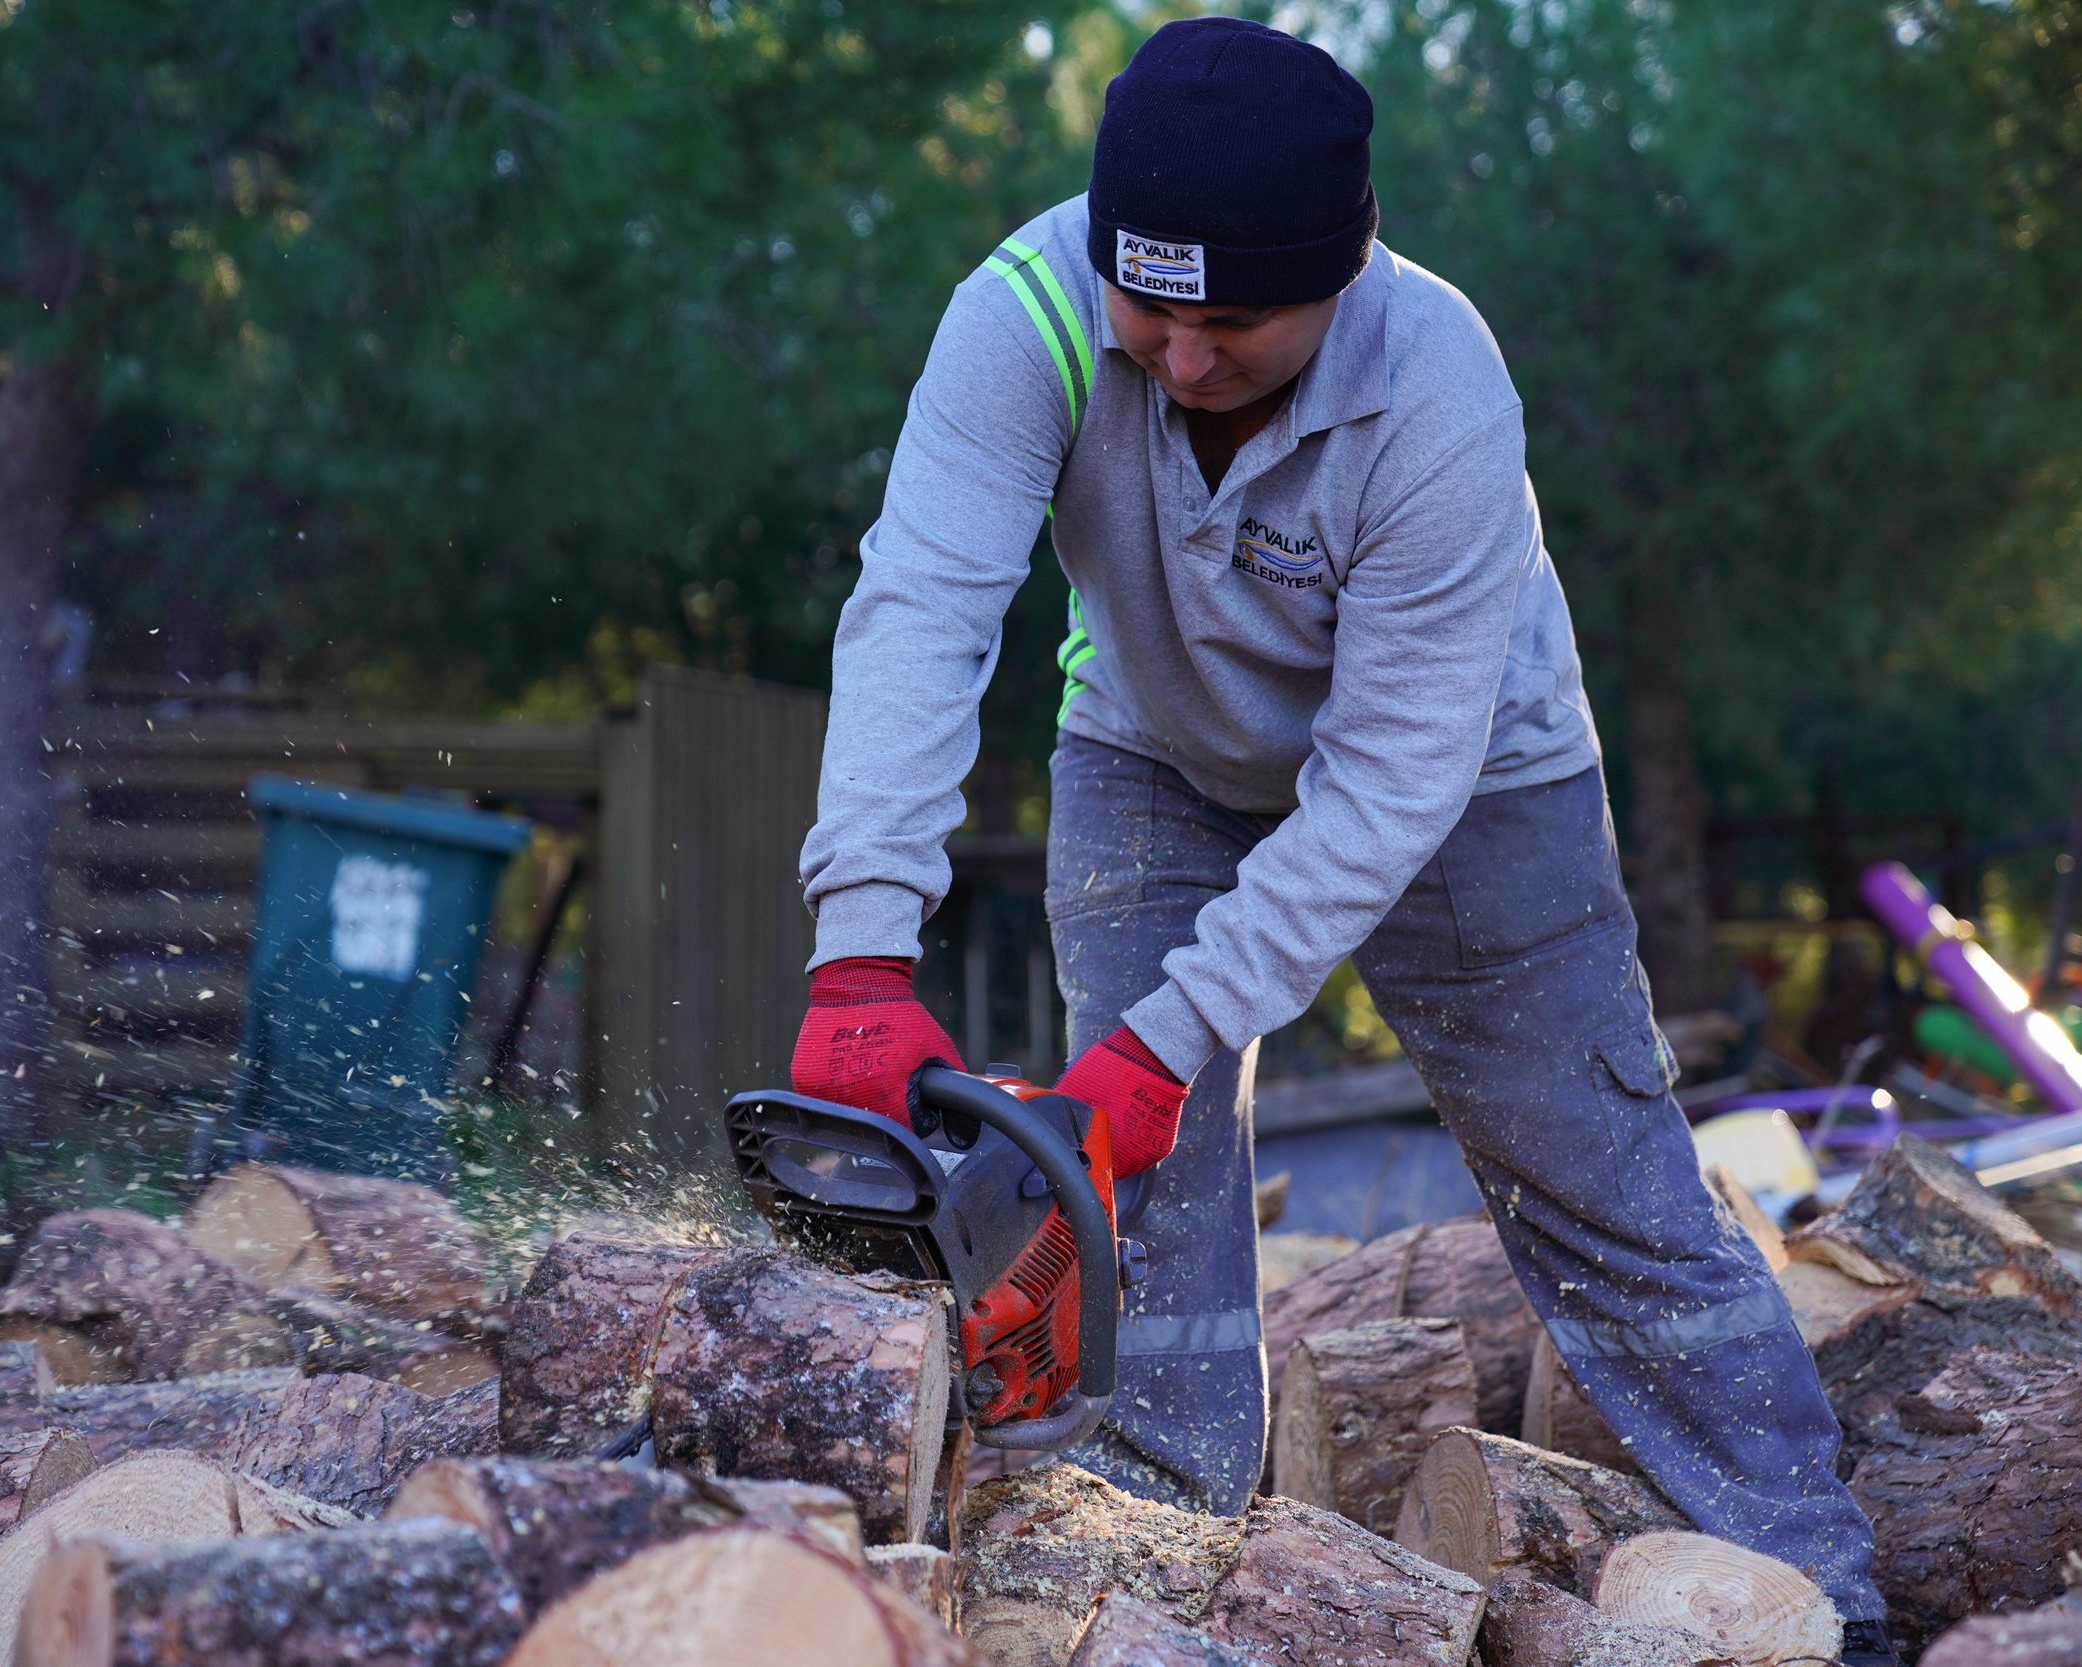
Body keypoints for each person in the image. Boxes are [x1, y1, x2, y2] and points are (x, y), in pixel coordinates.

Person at [787, 17, 1894, 1662]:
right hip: (1149, 750)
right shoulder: (1017, 317)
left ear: (1345, 271)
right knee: (1143, 1201)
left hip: (1469, 781)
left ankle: (1825, 1596)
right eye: (1146, 308)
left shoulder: (1437, 384)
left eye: (1230, 321)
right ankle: (1159, 1575)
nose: (1176, 358)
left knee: (1597, 1176)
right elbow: (919, 611)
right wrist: (864, 939)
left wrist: (1169, 1039)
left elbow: (1387, 784)